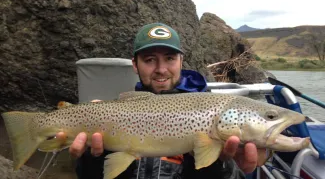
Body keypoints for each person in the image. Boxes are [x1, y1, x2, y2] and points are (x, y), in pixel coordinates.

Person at [56, 23, 267, 178]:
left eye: (169, 58)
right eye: (149, 60)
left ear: (181, 61)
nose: (161, 69)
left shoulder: (214, 115)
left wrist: (215, 166)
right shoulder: (113, 112)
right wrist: (93, 160)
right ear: (135, 65)